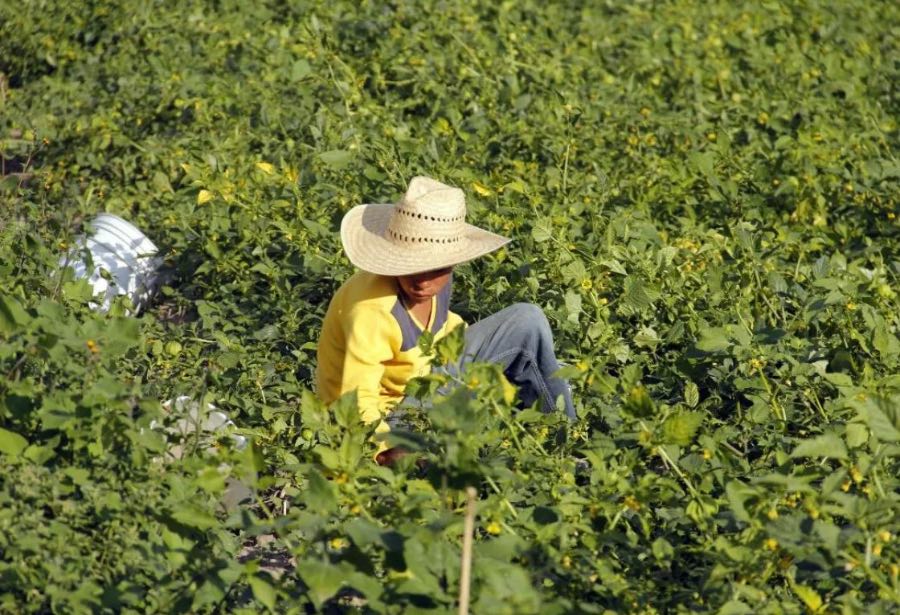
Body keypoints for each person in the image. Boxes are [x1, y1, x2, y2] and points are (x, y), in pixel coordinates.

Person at [315, 176, 575, 463]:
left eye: (435, 267)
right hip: (391, 420)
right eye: (412, 266)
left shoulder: (435, 287)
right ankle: (560, 454)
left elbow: (446, 330)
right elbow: (356, 399)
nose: (423, 281)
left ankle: (563, 442)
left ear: (452, 261)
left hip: (428, 386)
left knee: (532, 328)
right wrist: (383, 452)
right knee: (531, 345)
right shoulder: (371, 310)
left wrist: (491, 363)